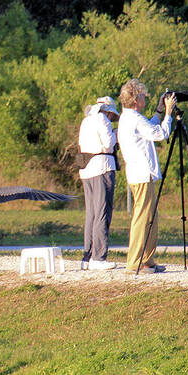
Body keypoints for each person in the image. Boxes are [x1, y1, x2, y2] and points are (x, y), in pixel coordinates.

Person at [118, 79, 176, 274]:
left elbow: (149, 127)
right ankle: (135, 262)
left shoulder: (131, 117)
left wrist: (159, 113)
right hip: (142, 175)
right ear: (135, 99)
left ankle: (147, 259)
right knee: (143, 217)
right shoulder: (134, 118)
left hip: (141, 174)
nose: (145, 98)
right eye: (142, 95)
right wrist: (168, 114)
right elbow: (160, 134)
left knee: (151, 216)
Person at [78, 96, 120, 270]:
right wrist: (116, 134)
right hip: (102, 168)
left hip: (86, 169)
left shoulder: (86, 120)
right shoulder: (103, 119)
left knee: (92, 214)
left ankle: (87, 257)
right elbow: (109, 143)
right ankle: (99, 257)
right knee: (103, 212)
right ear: (108, 111)